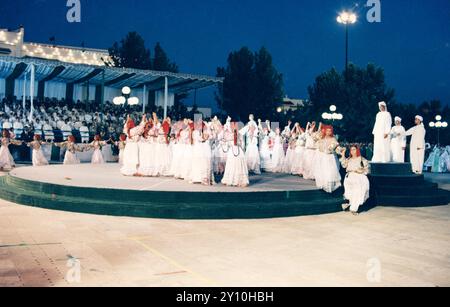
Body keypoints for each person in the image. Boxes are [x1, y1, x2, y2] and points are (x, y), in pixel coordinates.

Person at [338, 145, 370, 215]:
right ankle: (351, 205)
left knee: (359, 190)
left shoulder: (362, 159)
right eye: (351, 150)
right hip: (350, 176)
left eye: (354, 149)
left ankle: (353, 208)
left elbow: (367, 170)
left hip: (359, 176)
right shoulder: (349, 159)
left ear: (357, 150)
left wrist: (361, 171)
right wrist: (343, 154)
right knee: (353, 191)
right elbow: (343, 165)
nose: (352, 151)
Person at [314, 125, 341, 193]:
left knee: (330, 171)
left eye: (330, 131)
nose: (328, 132)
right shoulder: (322, 139)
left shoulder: (333, 139)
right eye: (327, 130)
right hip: (323, 157)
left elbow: (334, 148)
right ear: (325, 131)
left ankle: (329, 187)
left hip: (330, 157)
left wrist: (333, 149)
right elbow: (317, 142)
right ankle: (323, 185)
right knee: (323, 170)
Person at [222, 122, 249, 187]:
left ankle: (240, 181)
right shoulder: (228, 134)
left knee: (239, 165)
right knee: (231, 165)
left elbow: (242, 144)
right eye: (232, 126)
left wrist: (238, 142)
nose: (233, 127)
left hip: (238, 150)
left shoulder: (239, 134)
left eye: (235, 126)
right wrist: (228, 141)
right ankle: (230, 180)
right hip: (232, 151)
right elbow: (226, 142)